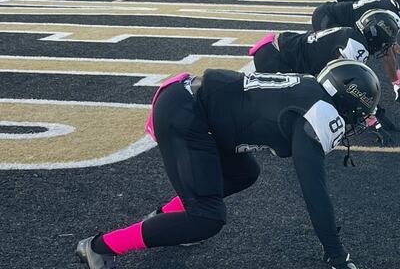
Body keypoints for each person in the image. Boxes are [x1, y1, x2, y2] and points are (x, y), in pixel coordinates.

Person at [75, 60, 380, 269]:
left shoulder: (311, 88)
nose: (358, 120)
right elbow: (314, 191)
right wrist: (336, 253)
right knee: (207, 219)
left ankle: (165, 217)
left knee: (245, 172)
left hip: (192, 105)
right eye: (359, 112)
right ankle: (101, 246)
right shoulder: (318, 114)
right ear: (347, 100)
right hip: (186, 114)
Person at [311, 0, 400, 104]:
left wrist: (397, 72)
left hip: (329, 13)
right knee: (333, 63)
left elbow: (387, 46)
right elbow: (386, 52)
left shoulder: (389, 6)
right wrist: (396, 82)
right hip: (328, 18)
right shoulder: (391, 14)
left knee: (342, 61)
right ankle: (319, 95)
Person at [249, 9, 400, 76]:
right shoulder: (357, 46)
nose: (385, 46)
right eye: (385, 42)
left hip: (277, 47)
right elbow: (345, 82)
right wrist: (372, 116)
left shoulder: (351, 34)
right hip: (276, 57)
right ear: (375, 35)